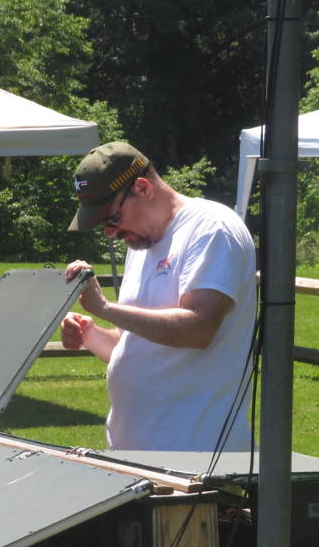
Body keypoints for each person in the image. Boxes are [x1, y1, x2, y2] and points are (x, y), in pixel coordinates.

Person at [60, 142, 257, 451]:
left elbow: (199, 328)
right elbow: (138, 345)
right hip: (137, 455)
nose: (111, 233)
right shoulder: (141, 244)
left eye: (112, 218)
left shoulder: (212, 228)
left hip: (194, 458)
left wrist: (105, 308)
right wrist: (90, 334)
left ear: (142, 188)